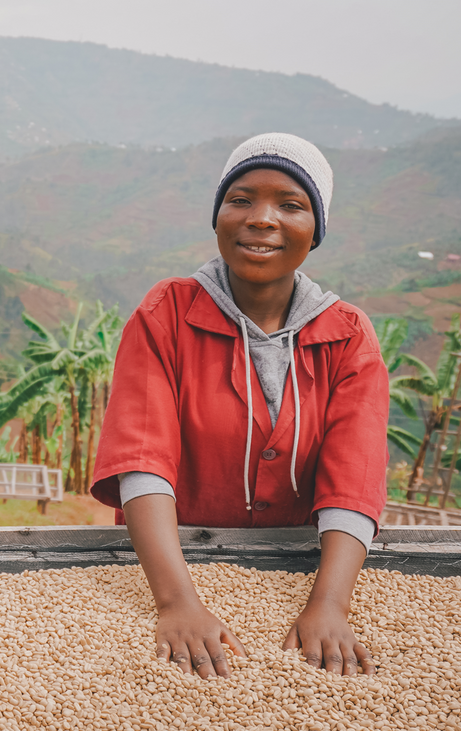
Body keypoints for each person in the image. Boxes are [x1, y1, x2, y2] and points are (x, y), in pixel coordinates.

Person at [91, 133, 388, 679]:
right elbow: (142, 458)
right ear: (218, 214)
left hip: (297, 562)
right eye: (242, 199)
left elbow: (355, 473)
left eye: (291, 205)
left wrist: (329, 605)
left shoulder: (347, 335)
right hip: (173, 559)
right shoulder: (166, 313)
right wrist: (176, 603)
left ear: (316, 230)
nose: (262, 218)